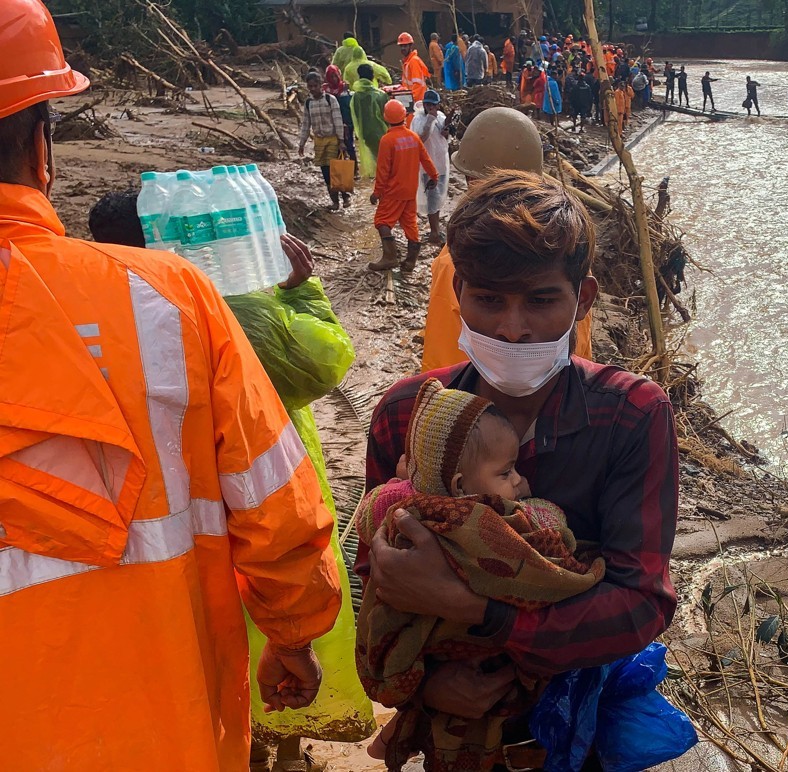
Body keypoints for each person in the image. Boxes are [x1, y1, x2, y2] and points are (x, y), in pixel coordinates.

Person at [0, 2, 341, 767]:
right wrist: (293, 634)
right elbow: (278, 509)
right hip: (160, 726)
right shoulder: (172, 299)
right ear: (41, 144)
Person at [361, 171, 678, 765]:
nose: (513, 327)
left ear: (582, 298)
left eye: (540, 300)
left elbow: (641, 602)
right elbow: (375, 576)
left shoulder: (632, 416)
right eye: (488, 299)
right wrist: (425, 685)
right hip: (449, 731)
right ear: (457, 291)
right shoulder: (405, 412)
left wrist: (479, 613)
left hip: (580, 732)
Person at [86, 191, 374, 772]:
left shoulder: (85, 314)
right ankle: (286, 743)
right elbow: (322, 364)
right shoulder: (232, 305)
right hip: (268, 484)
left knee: (199, 632)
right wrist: (302, 291)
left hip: (157, 516)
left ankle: (230, 747)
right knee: (280, 607)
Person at [354, 378, 603, 769]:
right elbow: (551, 541)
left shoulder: (398, 502)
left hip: (430, 663)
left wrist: (403, 480)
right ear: (459, 487)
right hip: (480, 656)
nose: (521, 482)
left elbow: (367, 516)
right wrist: (554, 522)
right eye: (507, 473)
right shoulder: (487, 523)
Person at [420, 107, 593, 372]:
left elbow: (444, 361)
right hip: (570, 393)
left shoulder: (458, 260)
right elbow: (581, 346)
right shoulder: (566, 244)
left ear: (470, 180)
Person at [368, 100, 439, 273]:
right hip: (410, 190)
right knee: (410, 225)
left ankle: (390, 258)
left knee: (382, 221)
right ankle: (410, 262)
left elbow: (383, 170)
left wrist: (376, 193)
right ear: (404, 116)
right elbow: (426, 159)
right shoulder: (413, 137)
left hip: (393, 191)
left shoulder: (387, 140)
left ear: (386, 118)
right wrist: (434, 176)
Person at [298, 71, 347, 211]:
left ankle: (345, 196)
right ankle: (335, 202)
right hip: (319, 141)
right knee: (325, 172)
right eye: (310, 86)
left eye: (315, 85)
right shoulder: (308, 103)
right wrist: (302, 143)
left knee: (336, 170)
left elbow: (338, 120)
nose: (312, 89)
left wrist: (341, 140)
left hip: (332, 139)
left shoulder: (330, 100)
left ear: (321, 85)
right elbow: (306, 124)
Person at [413, 91, 451, 246]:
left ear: (437, 104)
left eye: (433, 104)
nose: (430, 107)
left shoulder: (441, 116)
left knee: (439, 196)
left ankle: (435, 228)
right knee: (432, 197)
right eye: (427, 104)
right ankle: (434, 232)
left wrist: (446, 131)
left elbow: (444, 137)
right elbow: (420, 139)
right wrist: (429, 120)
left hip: (441, 162)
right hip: (428, 165)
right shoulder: (418, 119)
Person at [349, 62, 391, 178]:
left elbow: (356, 115)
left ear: (359, 77)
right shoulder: (380, 95)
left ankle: (378, 182)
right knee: (386, 162)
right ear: (373, 76)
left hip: (366, 134)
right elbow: (387, 116)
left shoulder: (356, 96)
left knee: (376, 160)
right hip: (381, 133)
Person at [324, 64, 357, 192]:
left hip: (347, 123)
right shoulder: (325, 91)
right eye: (331, 76)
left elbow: (350, 108)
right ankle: (340, 176)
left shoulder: (345, 89)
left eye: (335, 75)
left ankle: (355, 170)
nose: (334, 79)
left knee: (350, 146)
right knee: (335, 149)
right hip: (332, 123)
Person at [397, 32, 430, 104]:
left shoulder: (413, 61)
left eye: (405, 46)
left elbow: (418, 85)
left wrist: (409, 100)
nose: (403, 48)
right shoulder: (407, 62)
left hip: (416, 103)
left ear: (410, 46)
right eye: (401, 46)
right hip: (411, 100)